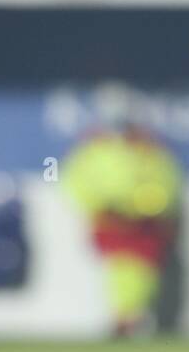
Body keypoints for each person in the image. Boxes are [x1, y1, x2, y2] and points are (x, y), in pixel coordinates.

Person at [63, 118, 181, 337]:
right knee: (121, 269)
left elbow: (166, 186)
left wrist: (144, 206)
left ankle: (128, 315)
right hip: (109, 220)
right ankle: (126, 314)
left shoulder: (151, 152)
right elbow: (75, 182)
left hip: (144, 225)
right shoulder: (94, 151)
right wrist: (98, 205)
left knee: (140, 271)